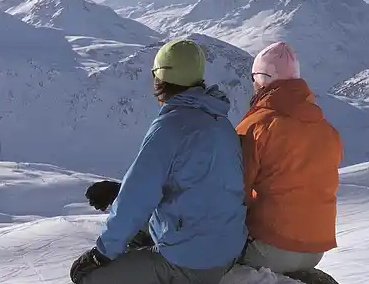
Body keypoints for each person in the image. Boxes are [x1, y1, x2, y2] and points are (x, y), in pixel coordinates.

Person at [70, 38, 247, 284]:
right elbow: (198, 184)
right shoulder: (220, 122)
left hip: (191, 261)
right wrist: (121, 192)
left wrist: (101, 254)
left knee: (88, 277)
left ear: (160, 78)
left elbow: (137, 197)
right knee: (140, 233)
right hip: (227, 249)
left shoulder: (171, 127)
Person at [236, 42, 343, 274]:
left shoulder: (255, 127)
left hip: (270, 247)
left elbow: (234, 191)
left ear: (261, 80)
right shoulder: (327, 130)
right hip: (315, 250)